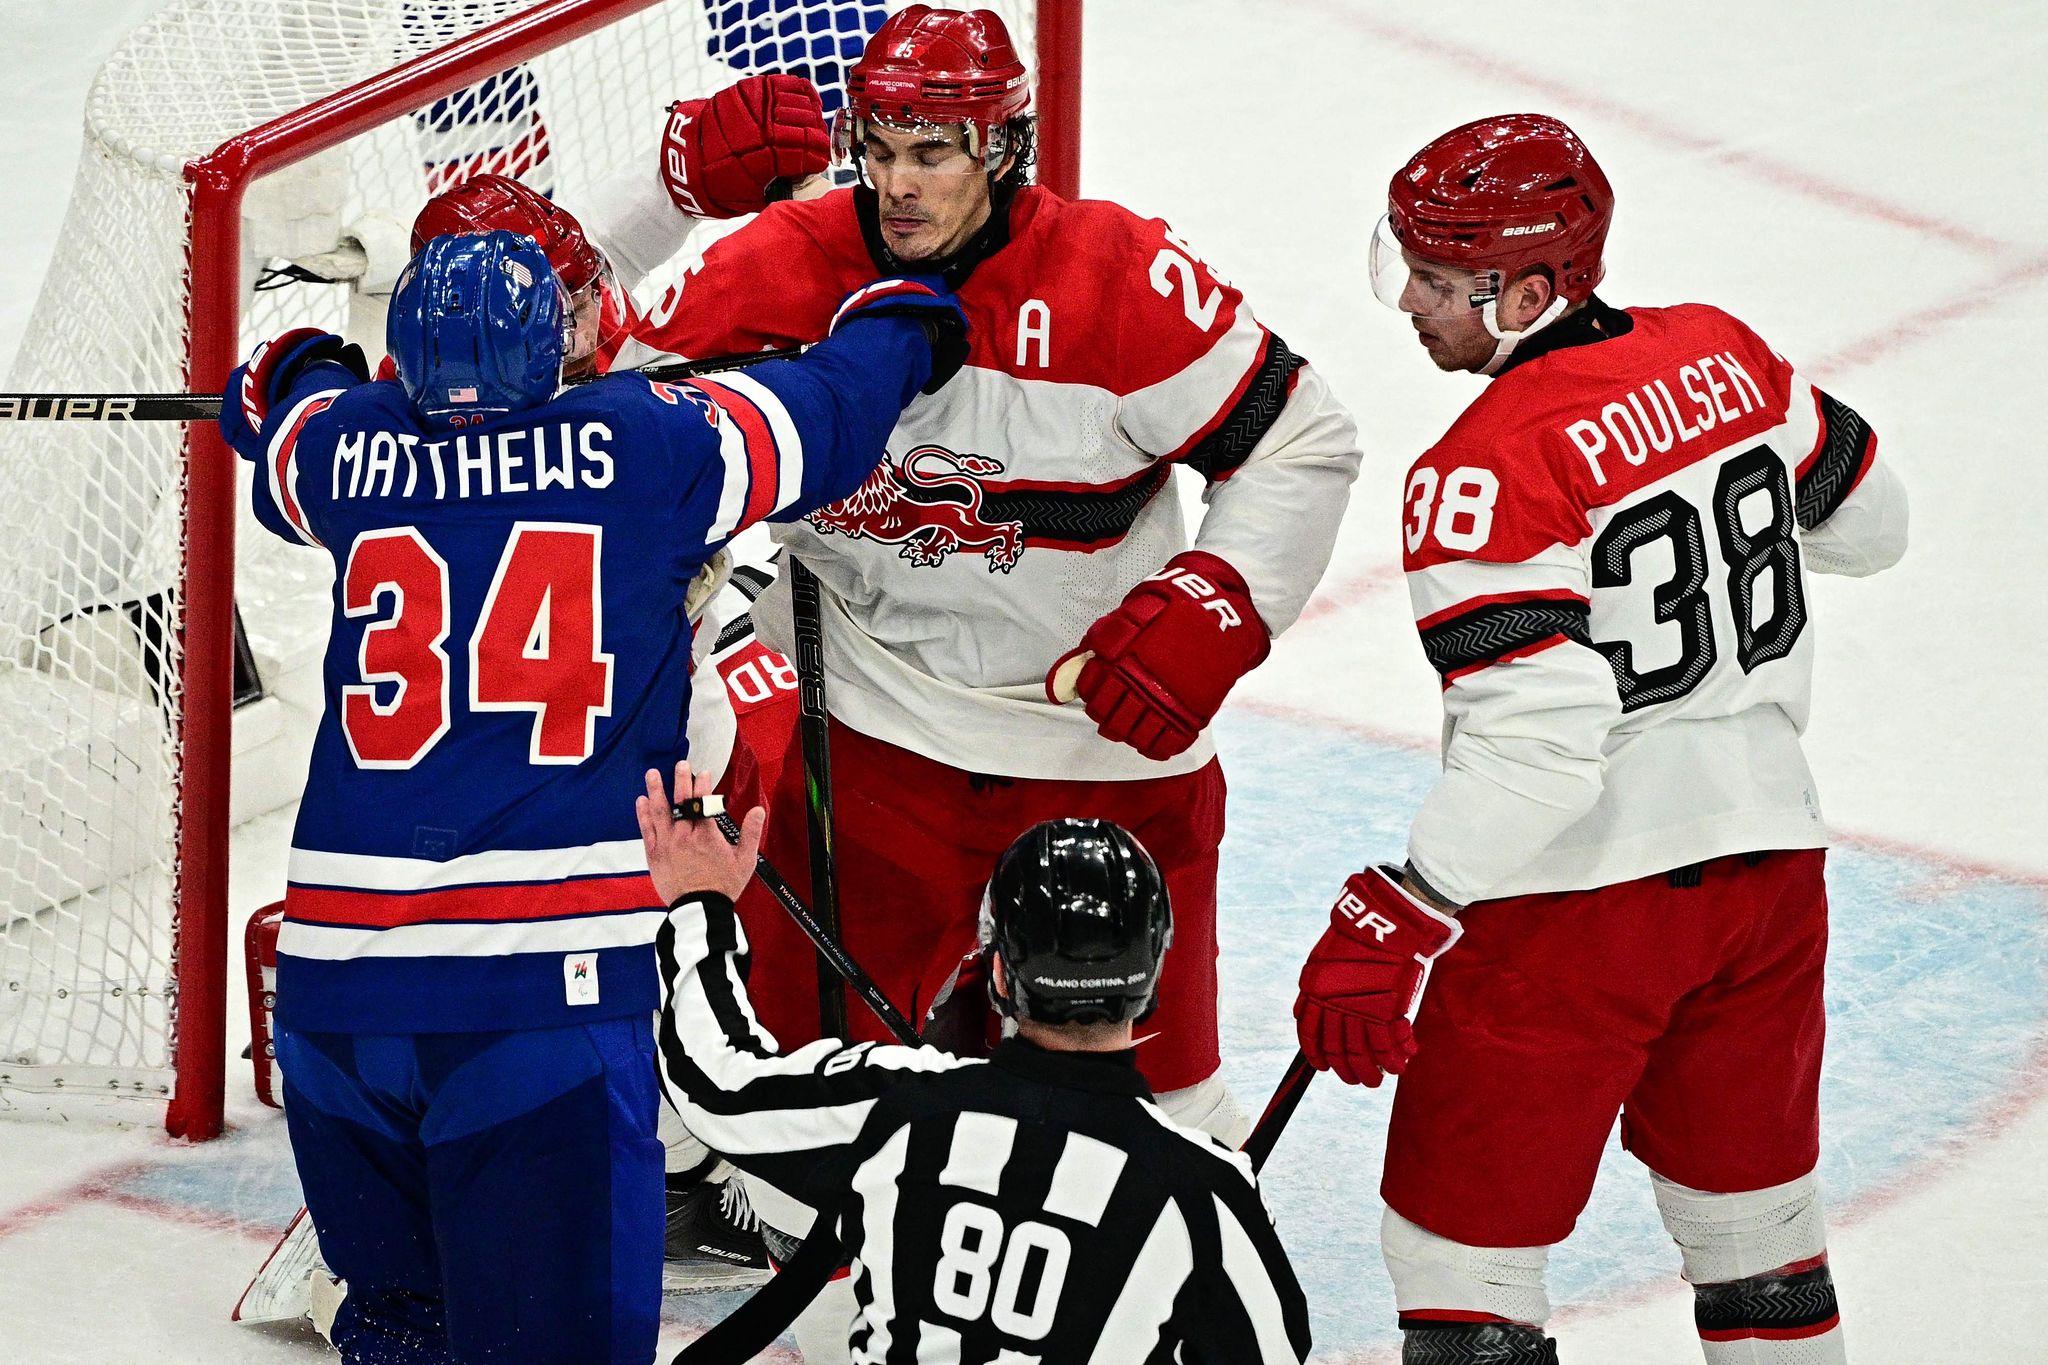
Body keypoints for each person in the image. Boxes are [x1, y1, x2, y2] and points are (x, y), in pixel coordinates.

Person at [635, 1, 1363, 1171]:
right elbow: (591, 393)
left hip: (1102, 752)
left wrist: (1216, 599)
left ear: (1000, 146)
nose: (897, 187)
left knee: (1158, 1121)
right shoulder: (781, 263)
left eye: (931, 153)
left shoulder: (1117, 276)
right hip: (868, 739)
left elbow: (1301, 440)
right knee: (795, 1108)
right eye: (876, 154)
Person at [218, 227, 967, 1363]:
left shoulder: (343, 450)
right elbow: (834, 410)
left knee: (401, 1334)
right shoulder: (647, 442)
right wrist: (903, 320)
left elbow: (276, 412)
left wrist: (295, 370)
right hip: (538, 1003)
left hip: (333, 1005)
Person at [1291, 114, 1909, 1364]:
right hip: (1769, 877)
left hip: (1576, 907)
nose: (1409, 301)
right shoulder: (1721, 353)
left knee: (1458, 1262)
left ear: (1527, 290)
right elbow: (1870, 525)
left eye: (1437, 278)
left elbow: (1543, 747)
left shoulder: (1481, 465)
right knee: (1758, 1247)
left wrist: (1402, 908)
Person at [638, 764, 1313, 1364]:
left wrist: (701, 901)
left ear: (995, 972)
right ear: (1156, 979)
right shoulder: (1208, 1192)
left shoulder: (897, 1108)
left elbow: (712, 1080)